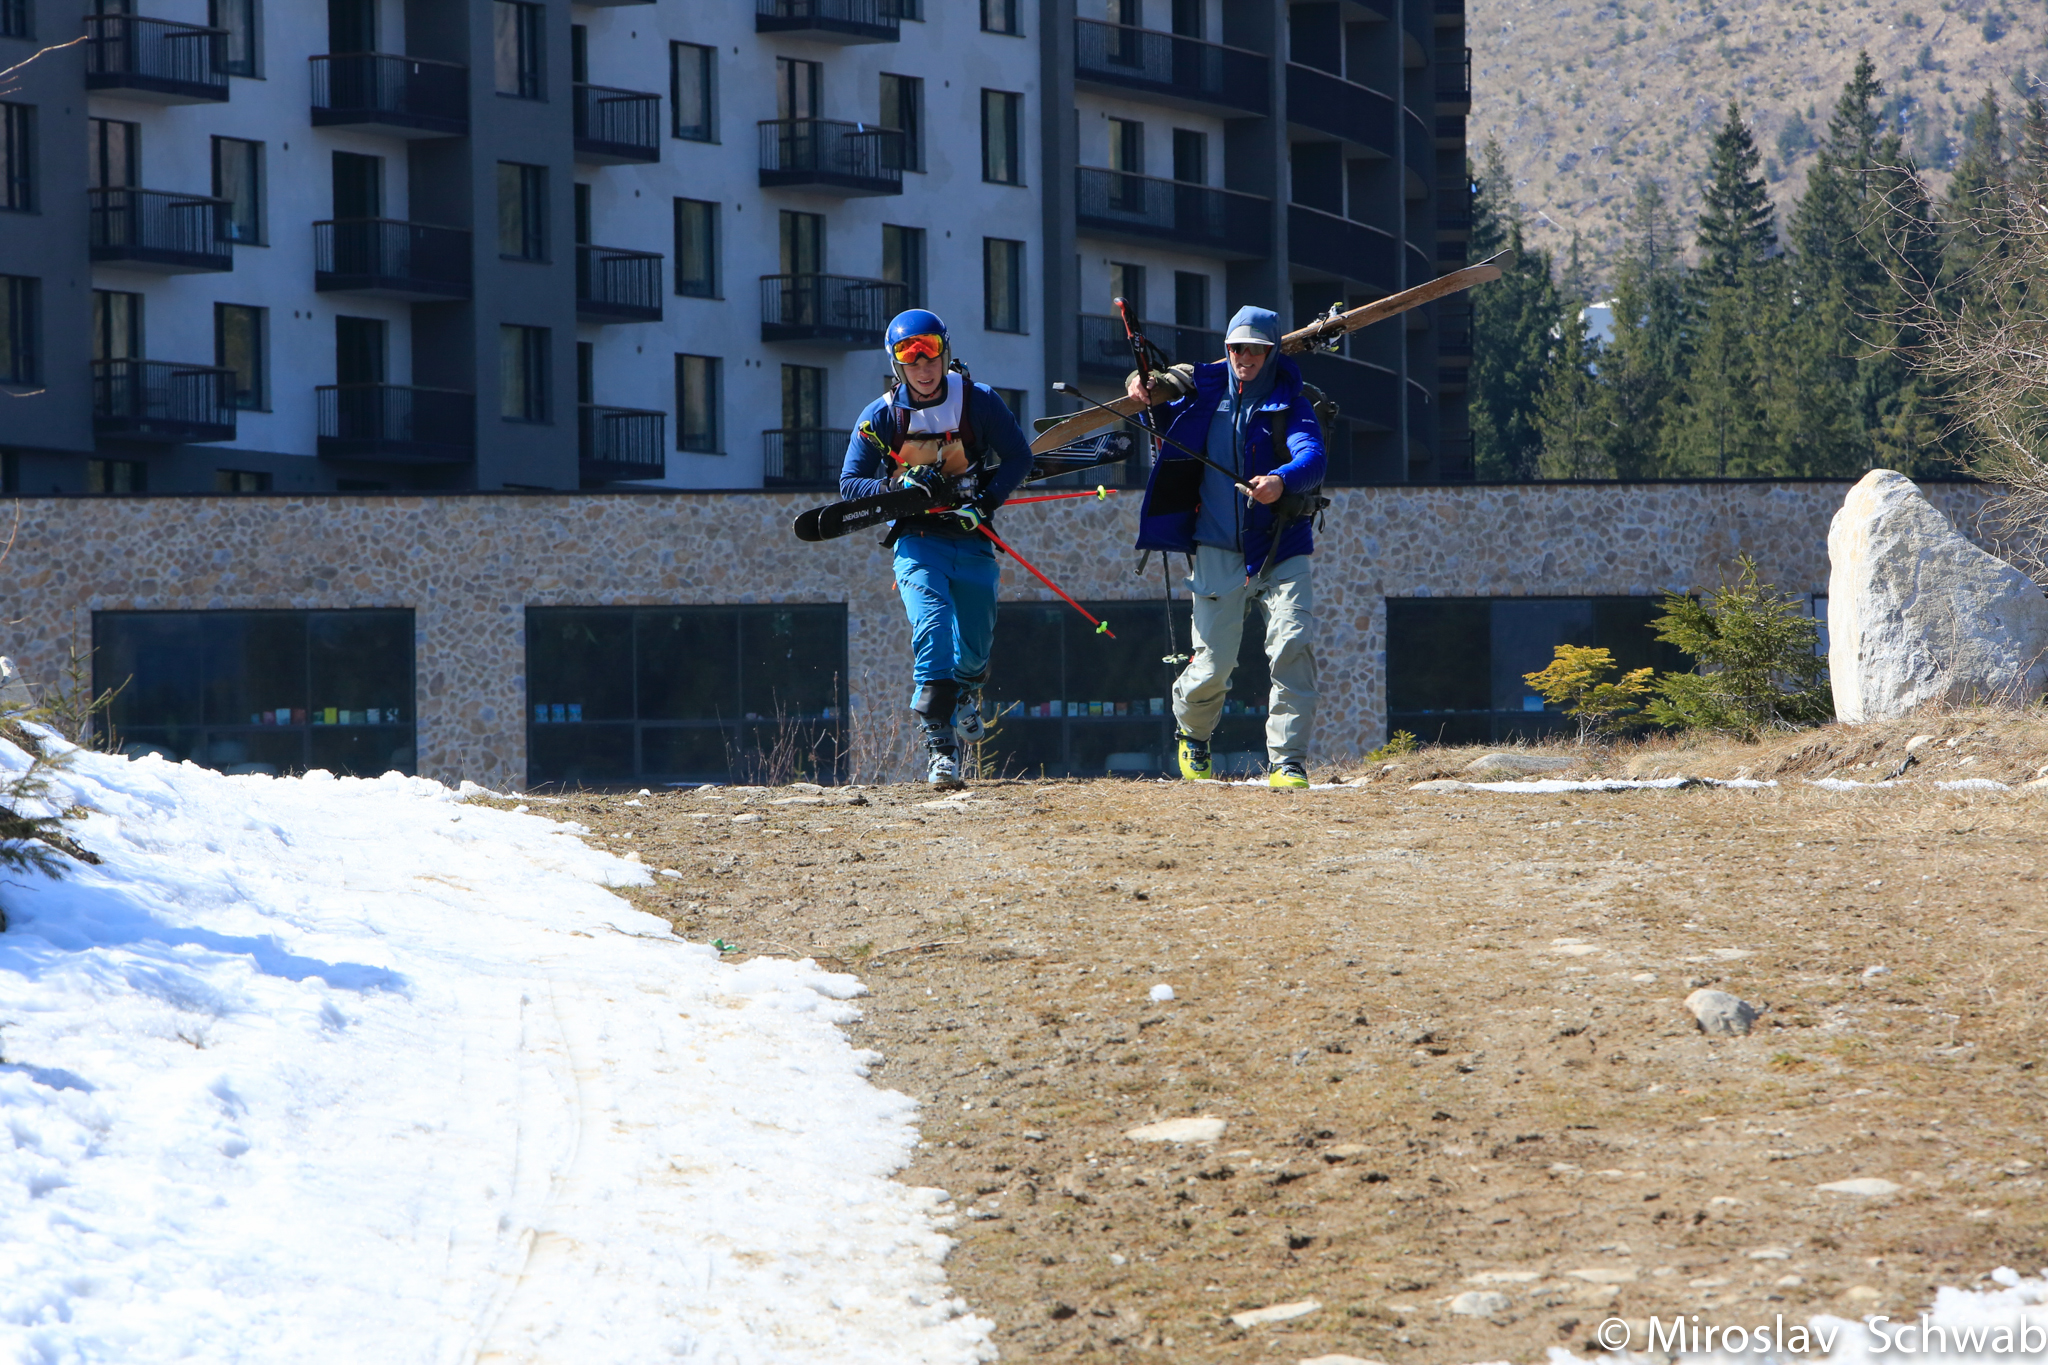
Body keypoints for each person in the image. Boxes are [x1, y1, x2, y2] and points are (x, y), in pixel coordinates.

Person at [1127, 304, 1326, 788]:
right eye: (1237, 347)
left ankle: (1288, 762)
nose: (1245, 357)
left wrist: (1281, 480)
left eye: (1256, 349)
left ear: (1272, 352)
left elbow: (1313, 456)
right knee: (1213, 666)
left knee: (1293, 646)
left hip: (1282, 546)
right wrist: (1139, 383)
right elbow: (1157, 403)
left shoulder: (1293, 402)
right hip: (1216, 548)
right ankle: (1194, 734)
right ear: (1227, 349)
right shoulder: (1204, 391)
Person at [842, 308, 1034, 790]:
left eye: (930, 354)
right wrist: (898, 484)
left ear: (945, 354)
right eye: (911, 357)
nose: (923, 367)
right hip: (917, 540)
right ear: (897, 364)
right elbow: (850, 483)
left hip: (971, 535)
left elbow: (1019, 456)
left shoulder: (979, 401)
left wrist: (986, 502)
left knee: (975, 643)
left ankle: (966, 690)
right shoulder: (880, 415)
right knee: (931, 627)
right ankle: (941, 750)